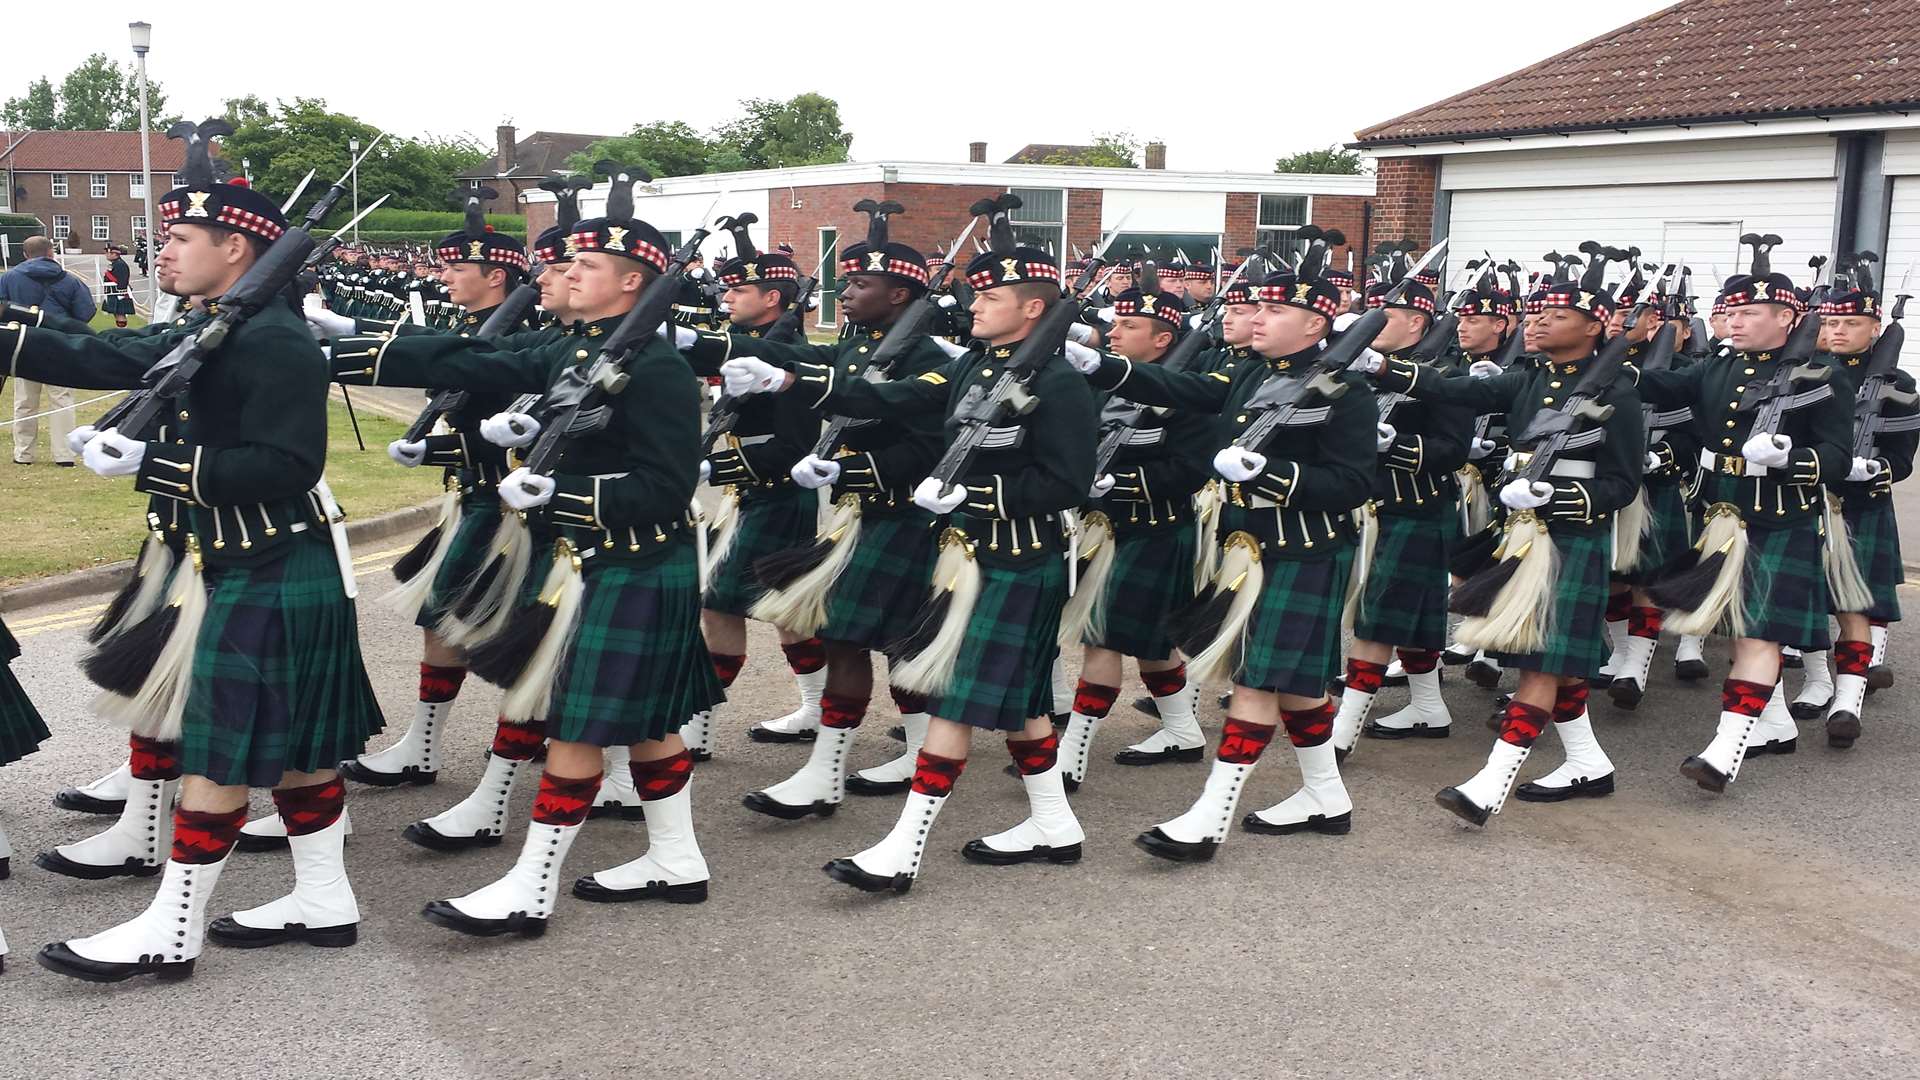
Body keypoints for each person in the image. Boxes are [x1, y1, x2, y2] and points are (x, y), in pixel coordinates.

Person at [9, 151, 385, 982]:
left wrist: (151, 463)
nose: (165, 249)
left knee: (217, 754)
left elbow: (286, 465)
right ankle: (325, 897)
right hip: (226, 558)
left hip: (268, 555)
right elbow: (108, 357)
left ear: (237, 250)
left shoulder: (278, 341)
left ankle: (172, 927)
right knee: (295, 754)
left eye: (180, 236)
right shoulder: (210, 325)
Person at [324, 185, 723, 932]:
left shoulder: (657, 368)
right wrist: (338, 348)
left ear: (633, 281)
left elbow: (665, 489)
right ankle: (676, 858)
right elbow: (468, 352)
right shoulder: (571, 346)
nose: (566, 271)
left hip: (632, 560)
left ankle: (531, 885)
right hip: (589, 562)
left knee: (573, 724)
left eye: (586, 263)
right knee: (649, 723)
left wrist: (559, 492)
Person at [718, 207, 1098, 892]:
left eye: (990, 296)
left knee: (954, 703)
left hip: (1017, 557)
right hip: (968, 555)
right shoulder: (981, 366)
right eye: (976, 293)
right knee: (1027, 706)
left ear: (1033, 307)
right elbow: (889, 396)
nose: (973, 304)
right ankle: (1054, 822)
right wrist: (790, 381)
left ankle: (904, 846)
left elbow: (1066, 481)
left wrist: (976, 499)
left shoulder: (1060, 384)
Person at [1064, 229, 1375, 858]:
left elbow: (1352, 483)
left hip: (1304, 548)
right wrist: (1107, 367)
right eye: (1256, 307)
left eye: (1274, 309)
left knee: (1259, 681)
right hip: (1254, 548)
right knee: (1297, 685)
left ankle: (1210, 816)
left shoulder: (1347, 391)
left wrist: (1273, 474)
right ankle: (1326, 795)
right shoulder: (1250, 376)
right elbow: (1187, 389)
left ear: (1317, 323)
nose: (1256, 317)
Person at [677, 203, 949, 811]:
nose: (845, 292)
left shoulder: (931, 359)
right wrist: (700, 344)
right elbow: (804, 361)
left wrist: (844, 462)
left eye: (860, 283)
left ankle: (916, 751)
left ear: (901, 293)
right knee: (846, 638)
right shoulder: (856, 346)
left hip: (906, 518)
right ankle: (829, 771)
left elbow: (925, 443)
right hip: (860, 517)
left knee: (895, 641)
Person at [1368, 267, 1641, 824]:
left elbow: (1621, 485)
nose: (1538, 321)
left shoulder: (1618, 394)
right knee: (1551, 658)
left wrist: (1556, 492)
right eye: (1537, 312)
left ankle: (1491, 783)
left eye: (1557, 315)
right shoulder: (1528, 379)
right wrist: (1382, 366)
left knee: (1542, 662)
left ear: (1595, 327)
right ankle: (1589, 763)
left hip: (1570, 537)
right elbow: (1453, 387)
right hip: (1520, 534)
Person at [1640, 255, 1853, 792]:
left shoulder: (1822, 376)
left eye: (1752, 312)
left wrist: (1791, 457)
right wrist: (1613, 363)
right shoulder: (1719, 367)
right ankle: (1774, 725)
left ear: (1787, 316)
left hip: (1781, 516)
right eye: (1732, 313)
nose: (1735, 322)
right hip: (1723, 513)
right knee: (1738, 629)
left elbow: (1839, 458)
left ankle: (1726, 746)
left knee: (1758, 630)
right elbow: (1660, 387)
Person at [1056, 274, 1214, 783]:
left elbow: (1190, 470)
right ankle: (1183, 730)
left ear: (1163, 338)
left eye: (1130, 325)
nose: (1115, 332)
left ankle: (1071, 757)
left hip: (1156, 529)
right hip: (1104, 529)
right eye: (1115, 322)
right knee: (1153, 641)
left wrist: (1119, 482)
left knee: (1102, 638)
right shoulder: (1096, 382)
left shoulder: (1186, 393)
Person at [1329, 268, 1471, 756]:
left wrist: (1397, 445)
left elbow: (1453, 450)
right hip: (1368, 508)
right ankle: (1430, 707)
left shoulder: (1445, 375)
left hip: (1417, 506)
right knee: (1406, 614)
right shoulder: (1355, 369)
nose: (1371, 322)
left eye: (1383, 316)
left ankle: (1341, 732)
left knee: (1377, 619)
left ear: (1416, 323)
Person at [4, 235, 97, 465]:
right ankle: (64, 455)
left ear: (25, 254)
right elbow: (85, 311)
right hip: (60, 342)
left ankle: (24, 453)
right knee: (62, 399)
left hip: (23, 342)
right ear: (51, 253)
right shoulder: (70, 280)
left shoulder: (8, 278)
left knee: (24, 401)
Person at [103, 244, 136, 328]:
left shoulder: (120, 264)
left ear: (114, 254)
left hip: (118, 293)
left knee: (120, 313)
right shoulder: (115, 263)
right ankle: (120, 329)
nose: (106, 255)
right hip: (112, 292)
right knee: (116, 313)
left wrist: (121, 294)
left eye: (108, 253)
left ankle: (123, 331)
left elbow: (123, 280)